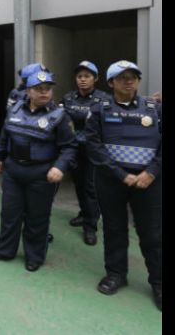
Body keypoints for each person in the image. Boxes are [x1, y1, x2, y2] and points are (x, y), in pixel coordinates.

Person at [85, 60, 162, 311]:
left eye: (133, 76)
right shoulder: (99, 109)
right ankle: (116, 274)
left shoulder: (155, 108)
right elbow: (93, 146)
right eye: (122, 77)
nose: (129, 80)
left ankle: (159, 282)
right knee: (114, 228)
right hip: (111, 180)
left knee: (152, 233)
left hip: (149, 182)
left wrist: (150, 172)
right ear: (111, 83)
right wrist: (120, 175)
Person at [0, 70, 77, 272]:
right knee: (10, 214)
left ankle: (34, 256)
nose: (44, 93)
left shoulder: (59, 116)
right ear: (29, 91)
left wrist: (59, 167)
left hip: (41, 174)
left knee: (37, 218)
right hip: (13, 171)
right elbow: (5, 135)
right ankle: (4, 250)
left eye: (48, 89)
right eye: (39, 89)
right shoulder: (15, 108)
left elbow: (70, 147)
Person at [60, 61, 110, 245]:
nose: (82, 80)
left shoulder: (104, 99)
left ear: (95, 79)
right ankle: (83, 214)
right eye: (79, 76)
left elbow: (101, 123)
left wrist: (79, 117)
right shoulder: (69, 97)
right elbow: (63, 119)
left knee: (90, 188)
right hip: (74, 148)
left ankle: (90, 227)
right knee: (79, 184)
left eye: (87, 76)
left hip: (93, 150)